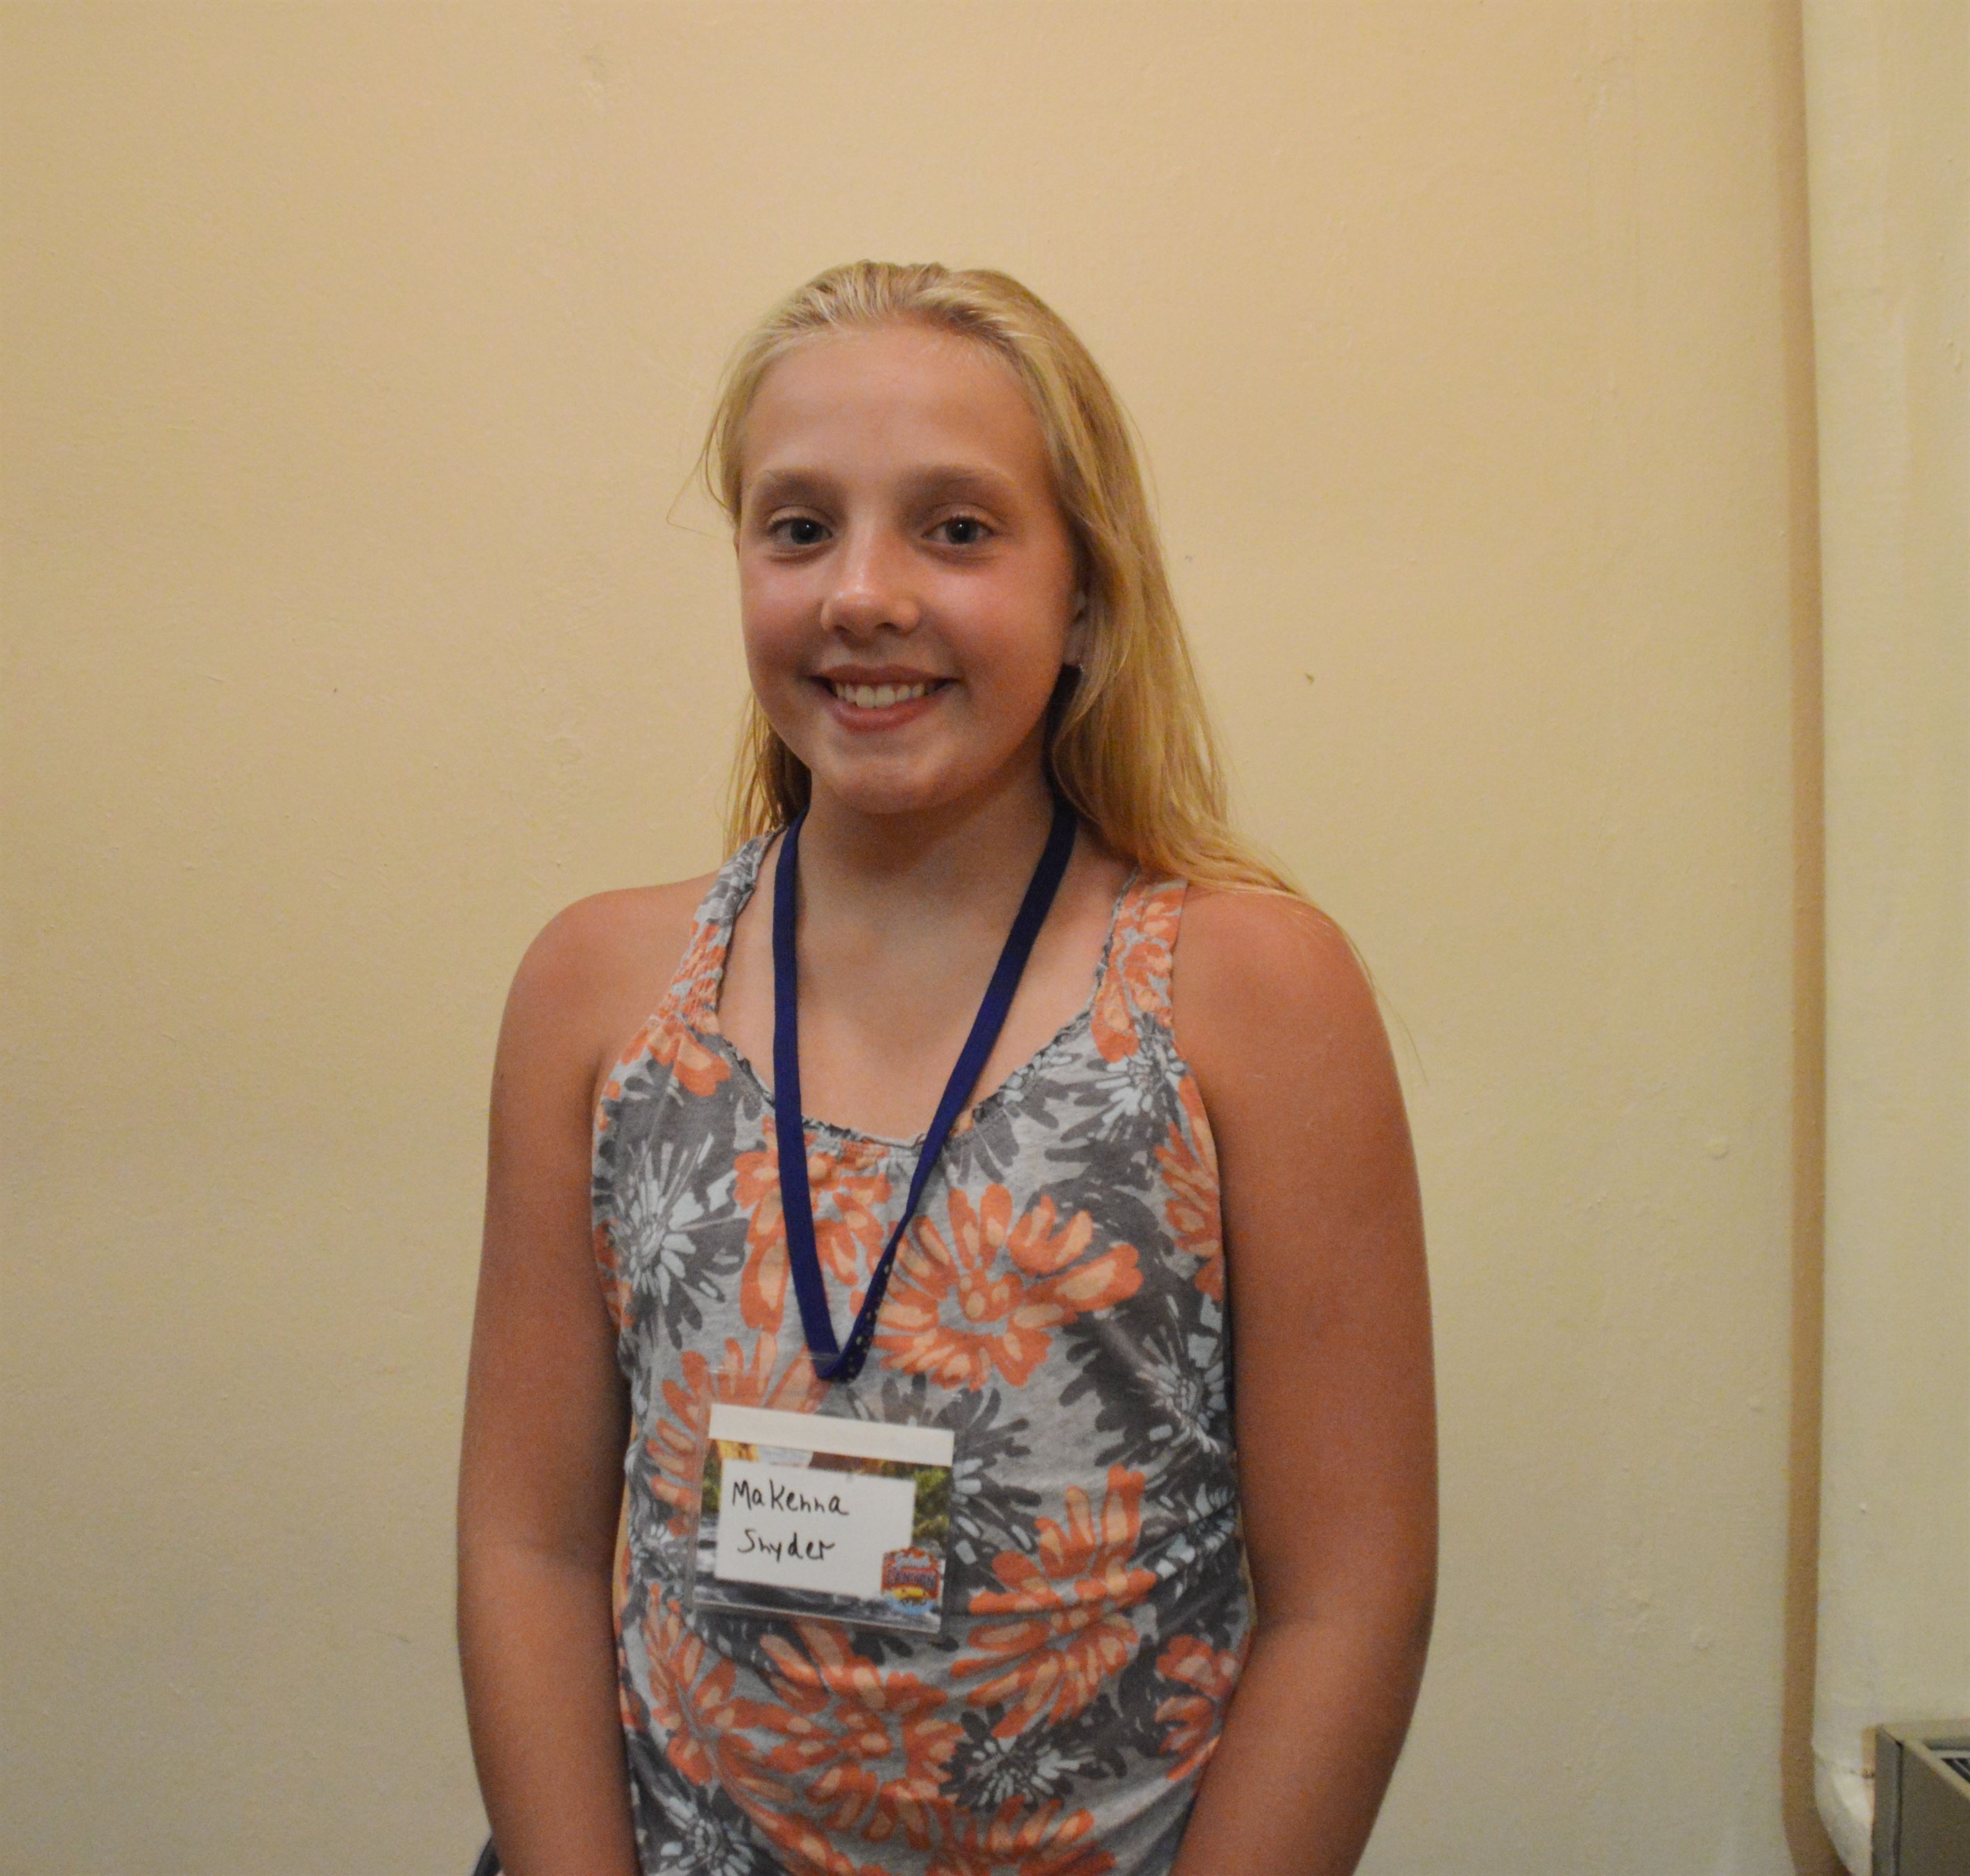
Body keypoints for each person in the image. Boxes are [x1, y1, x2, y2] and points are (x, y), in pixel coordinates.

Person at [457, 261, 1435, 1876]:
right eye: (797, 527)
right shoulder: (599, 995)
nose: (861, 593)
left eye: (956, 528)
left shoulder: (1249, 999)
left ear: (1085, 597)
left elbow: (1351, 1598)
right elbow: (528, 1547)